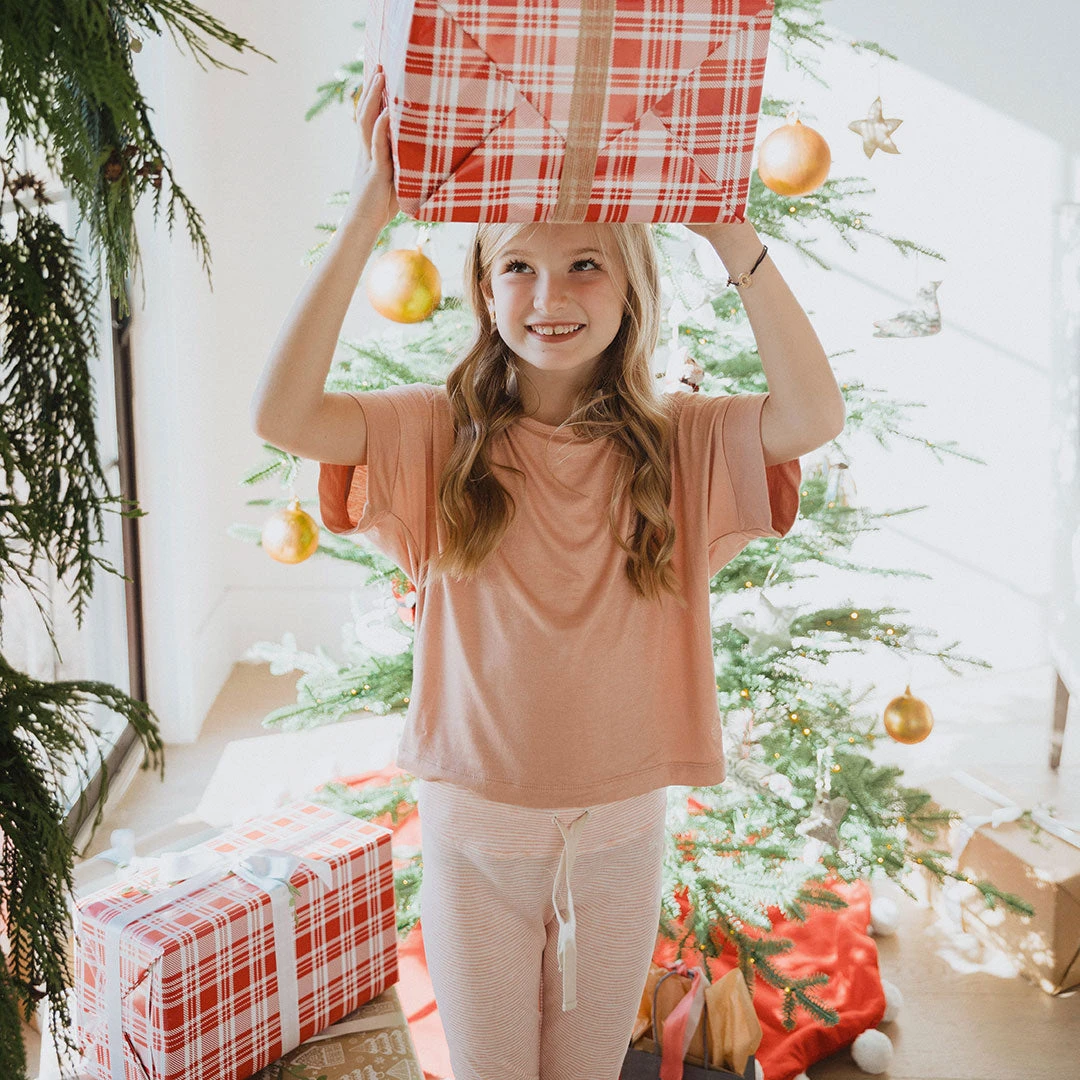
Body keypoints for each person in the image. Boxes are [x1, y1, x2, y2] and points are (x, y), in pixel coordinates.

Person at [251, 67, 845, 1080]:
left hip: (618, 839)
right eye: (518, 267)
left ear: (631, 289)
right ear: (484, 290)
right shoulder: (433, 433)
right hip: (476, 834)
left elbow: (813, 417)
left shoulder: (682, 442)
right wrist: (369, 211)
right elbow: (284, 413)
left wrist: (731, 234)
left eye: (584, 266)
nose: (551, 295)